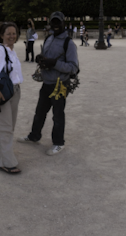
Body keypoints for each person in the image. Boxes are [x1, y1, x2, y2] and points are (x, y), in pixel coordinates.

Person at [19, 12, 79, 156]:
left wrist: (55, 63)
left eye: (58, 22)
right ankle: (34, 135)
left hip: (60, 85)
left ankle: (58, 143)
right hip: (47, 83)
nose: (56, 25)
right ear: (50, 23)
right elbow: (47, 58)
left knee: (57, 115)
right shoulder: (49, 38)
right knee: (39, 112)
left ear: (63, 23)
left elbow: (73, 68)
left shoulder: (68, 43)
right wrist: (41, 59)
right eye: (53, 22)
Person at [0, 22, 24, 175]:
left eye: (14, 33)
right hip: (2, 93)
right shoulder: (0, 51)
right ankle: (6, 162)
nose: (12, 36)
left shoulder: (10, 51)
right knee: (6, 127)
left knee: (6, 125)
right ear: (1, 35)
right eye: (8, 33)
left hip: (13, 91)